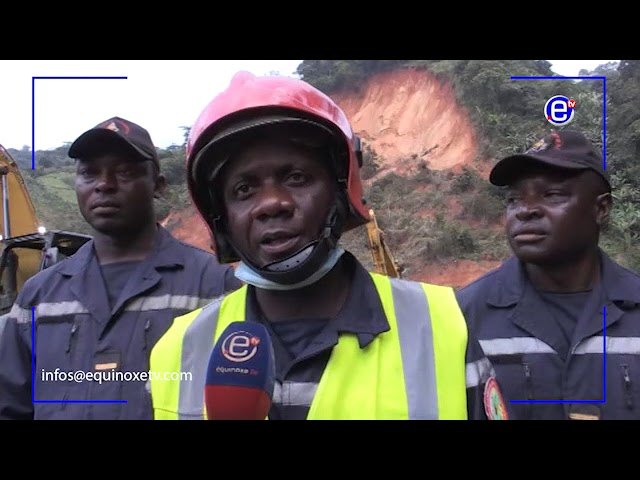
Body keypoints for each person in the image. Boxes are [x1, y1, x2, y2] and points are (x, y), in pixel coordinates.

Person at [149, 71, 509, 420]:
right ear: (221, 217)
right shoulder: (178, 350)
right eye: (244, 190)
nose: (271, 203)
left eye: (296, 177)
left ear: (340, 189)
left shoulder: (443, 326)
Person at [0, 116, 242, 420]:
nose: (104, 184)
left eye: (125, 172)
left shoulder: (213, 287)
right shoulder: (39, 296)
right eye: (89, 173)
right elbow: (10, 406)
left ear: (158, 185)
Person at [456, 130, 640, 420]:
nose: (525, 211)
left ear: (601, 209)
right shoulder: (464, 318)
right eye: (514, 199)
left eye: (552, 194)